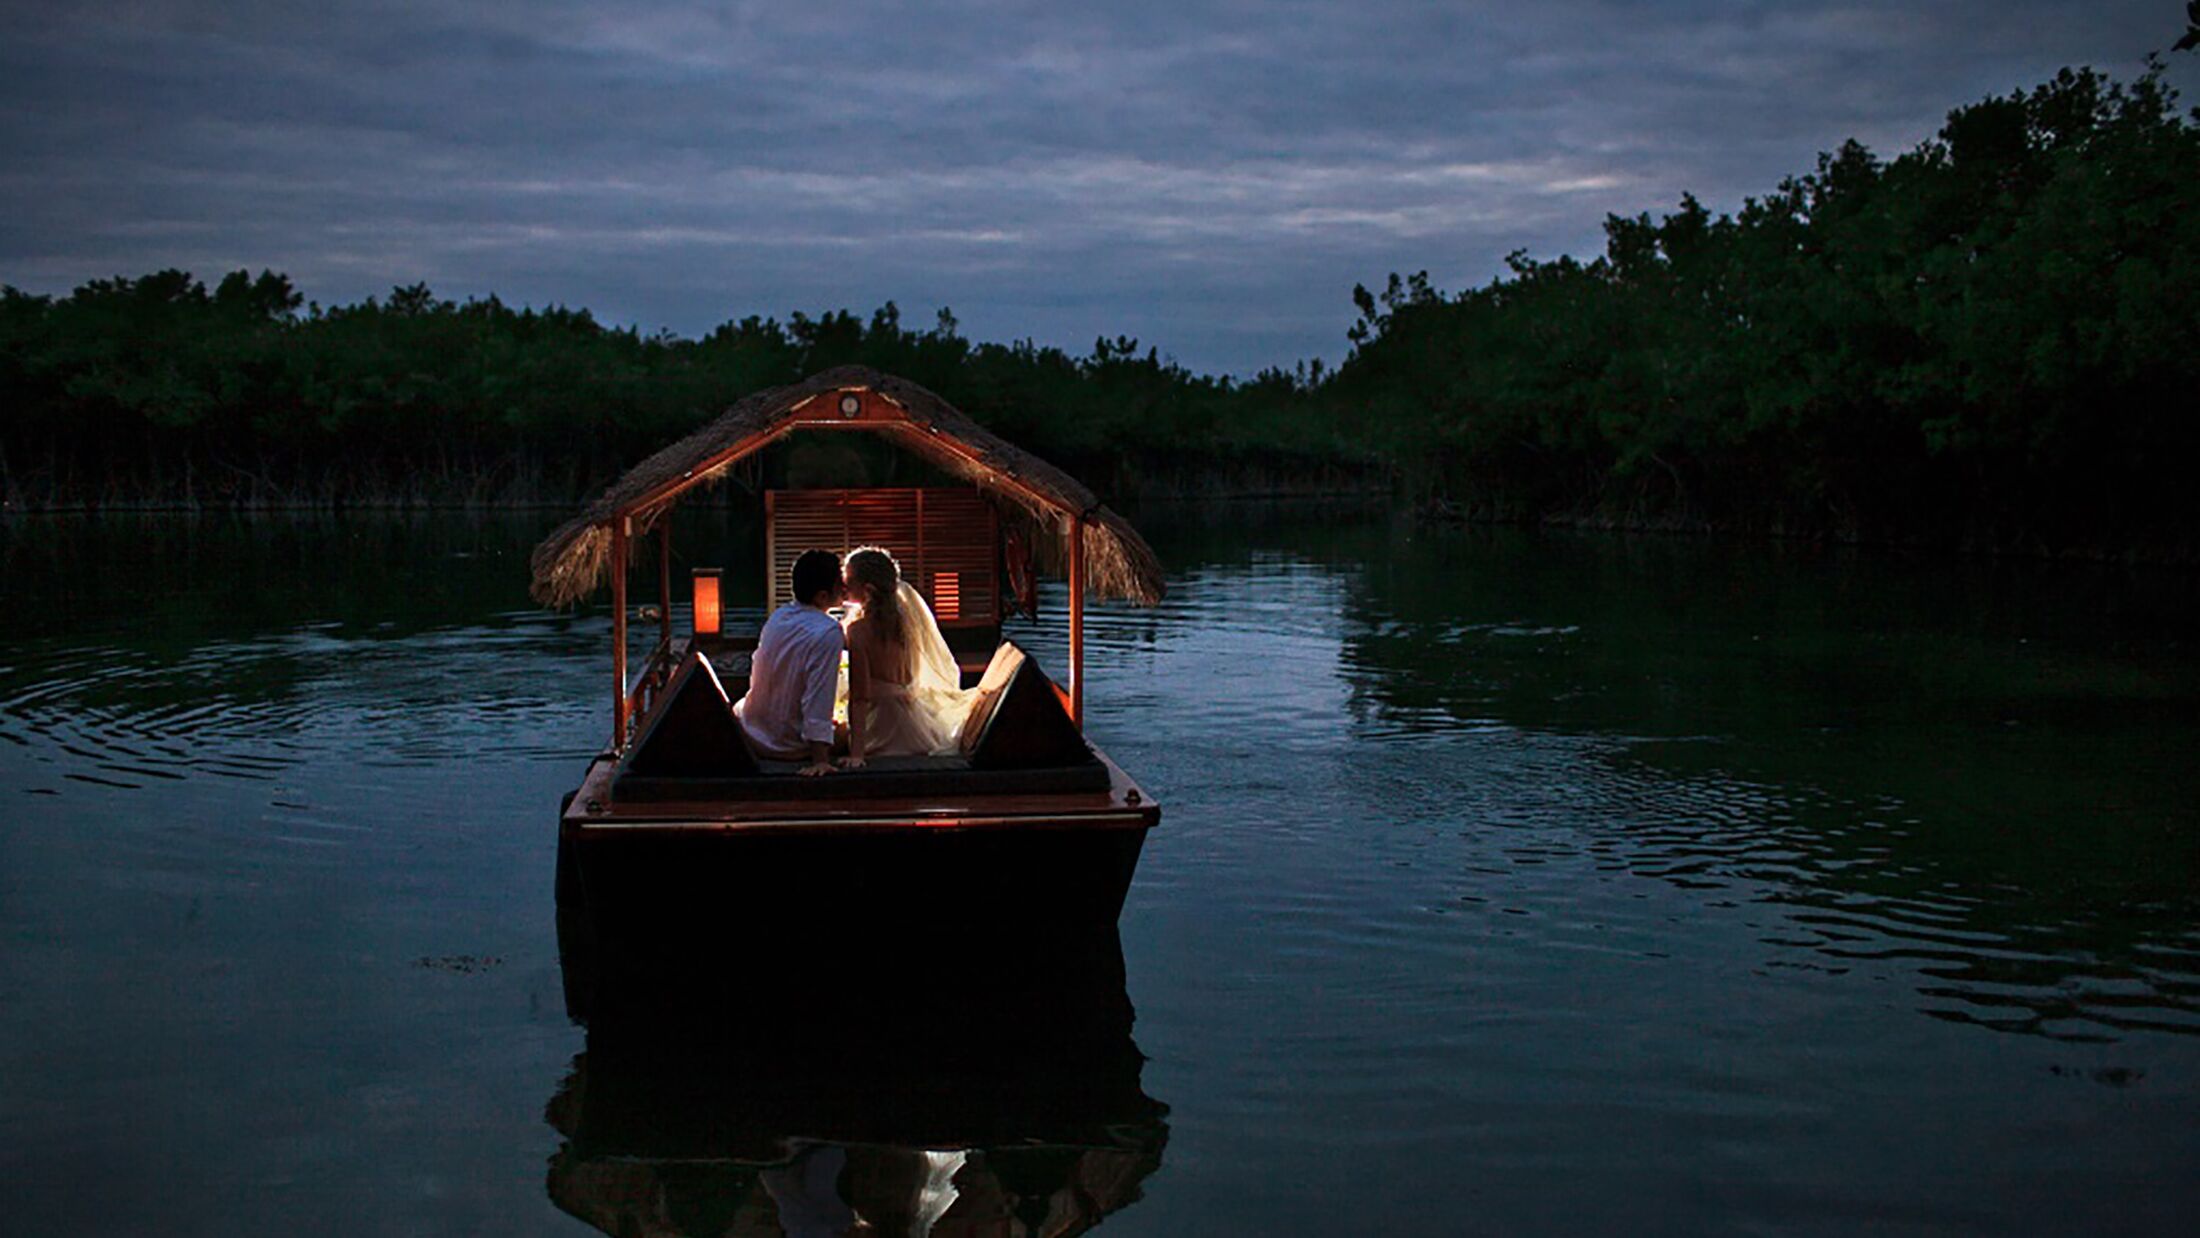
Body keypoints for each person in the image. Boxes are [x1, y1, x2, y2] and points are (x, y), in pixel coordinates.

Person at [838, 546, 977, 767]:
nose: (843, 585)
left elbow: (860, 696)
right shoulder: (905, 622)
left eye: (848, 580)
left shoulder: (858, 631)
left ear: (867, 589)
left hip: (881, 724)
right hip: (912, 718)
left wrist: (857, 754)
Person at [733, 548, 844, 776]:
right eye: (839, 583)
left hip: (752, 730)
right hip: (786, 745)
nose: (845, 588)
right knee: (866, 732)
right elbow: (818, 696)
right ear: (822, 596)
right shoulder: (828, 631)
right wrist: (820, 760)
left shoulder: (780, 616)